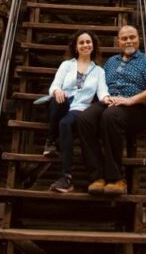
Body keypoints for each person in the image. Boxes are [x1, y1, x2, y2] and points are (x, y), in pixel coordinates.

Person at [77, 24, 146, 196]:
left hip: (137, 108)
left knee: (110, 116)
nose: (128, 41)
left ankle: (116, 178)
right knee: (84, 118)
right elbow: (98, 86)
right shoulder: (110, 62)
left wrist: (130, 100)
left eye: (132, 37)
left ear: (138, 39)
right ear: (118, 42)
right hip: (111, 102)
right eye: (124, 38)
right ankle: (97, 176)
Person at [42, 30, 109, 193]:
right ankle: (50, 141)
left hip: (79, 109)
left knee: (65, 124)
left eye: (88, 42)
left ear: (93, 46)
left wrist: (108, 98)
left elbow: (102, 92)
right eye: (82, 42)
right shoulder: (67, 65)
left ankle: (66, 178)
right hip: (61, 105)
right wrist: (57, 91)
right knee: (60, 97)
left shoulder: (99, 71)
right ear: (76, 47)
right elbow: (54, 86)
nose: (85, 45)